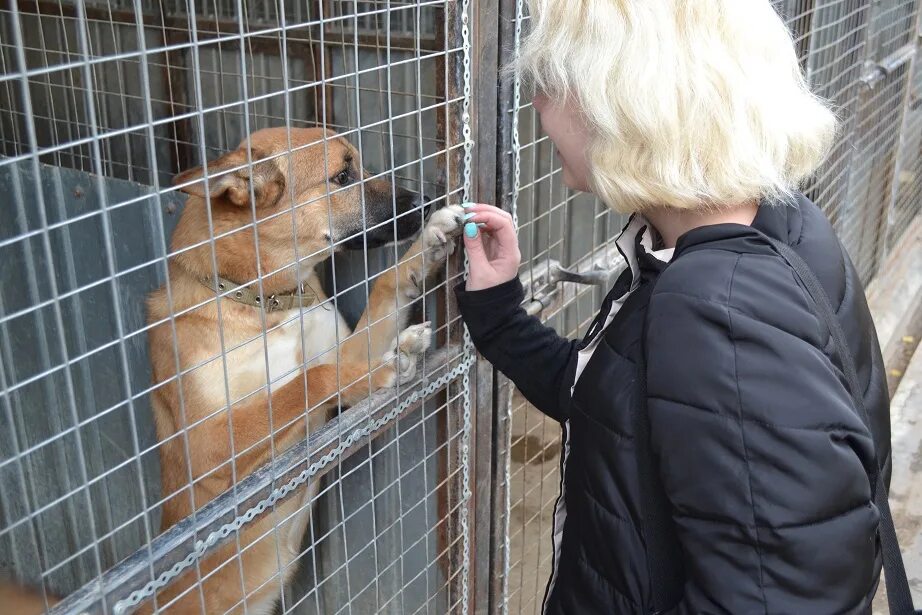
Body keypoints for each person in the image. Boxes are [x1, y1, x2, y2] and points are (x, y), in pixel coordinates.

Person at [455, 1, 889, 613]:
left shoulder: (718, 308)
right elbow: (623, 411)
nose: (538, 106)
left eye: (549, 84)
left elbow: (786, 600)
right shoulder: (775, 227)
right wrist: (500, 312)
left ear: (624, 100)